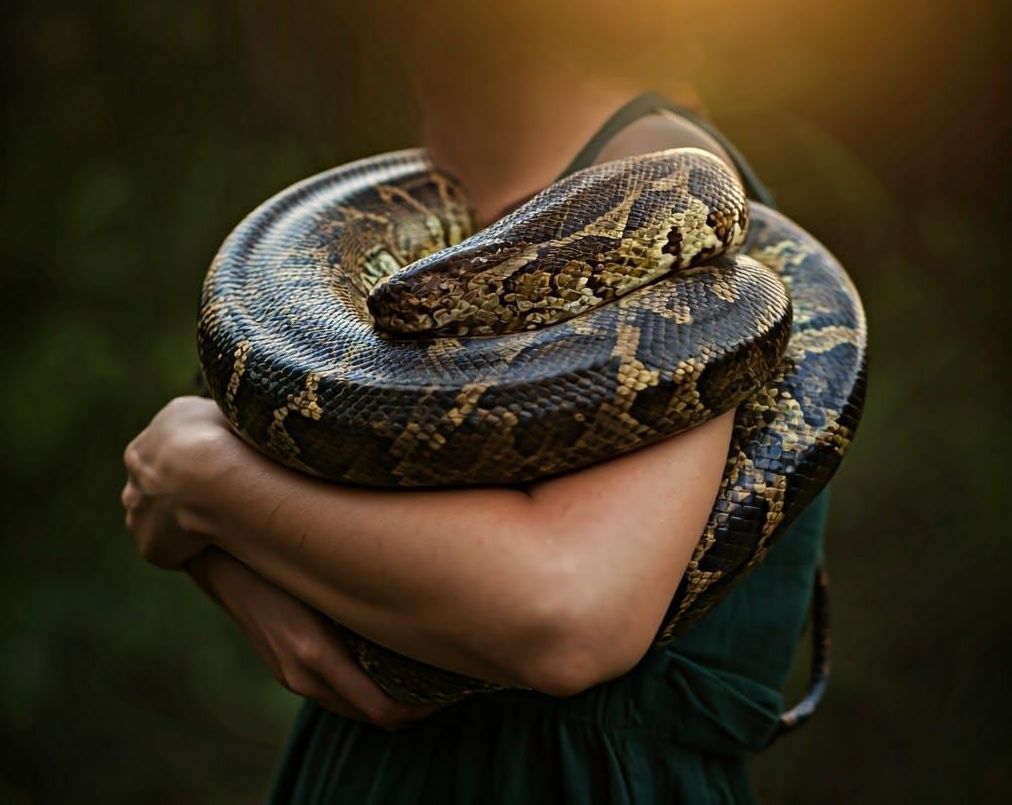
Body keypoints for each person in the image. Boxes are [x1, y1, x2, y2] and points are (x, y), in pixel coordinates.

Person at [121, 43, 828, 803]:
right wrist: (222, 554)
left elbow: (568, 616)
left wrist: (201, 478)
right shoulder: (439, 186)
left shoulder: (656, 169)